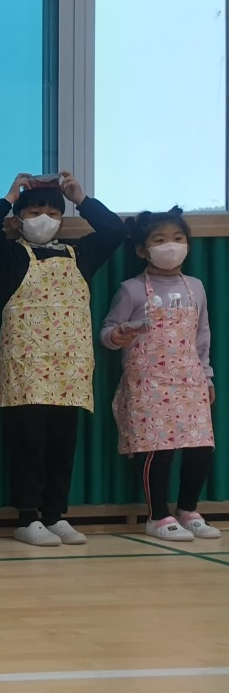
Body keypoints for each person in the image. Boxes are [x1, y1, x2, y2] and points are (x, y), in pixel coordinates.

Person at [0, 171, 127, 546]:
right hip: (25, 369)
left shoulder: (81, 254)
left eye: (53, 212)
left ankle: (55, 515)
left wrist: (80, 198)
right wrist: (10, 196)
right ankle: (27, 518)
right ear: (19, 219)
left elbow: (115, 231)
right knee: (27, 445)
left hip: (69, 369)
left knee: (62, 446)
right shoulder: (10, 256)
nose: (44, 218)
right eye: (35, 211)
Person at [102, 207, 218, 541]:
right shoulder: (131, 289)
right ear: (143, 250)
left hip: (190, 380)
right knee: (159, 450)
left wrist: (207, 376)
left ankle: (188, 509)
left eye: (178, 238)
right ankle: (157, 516)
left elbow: (202, 335)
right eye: (160, 240)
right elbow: (108, 329)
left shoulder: (196, 287)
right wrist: (116, 336)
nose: (171, 245)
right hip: (148, 383)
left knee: (200, 448)